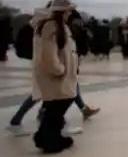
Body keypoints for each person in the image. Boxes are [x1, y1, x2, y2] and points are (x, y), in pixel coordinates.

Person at [6, 8, 100, 137]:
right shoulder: (49, 28)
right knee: (51, 94)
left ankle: (27, 120)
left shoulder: (49, 27)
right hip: (49, 69)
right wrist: (60, 68)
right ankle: (23, 121)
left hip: (50, 68)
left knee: (59, 93)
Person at [31, 0, 79, 153]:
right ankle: (49, 140)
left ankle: (47, 137)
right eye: (68, 11)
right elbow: (49, 54)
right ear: (62, 11)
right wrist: (59, 69)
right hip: (56, 76)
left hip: (63, 76)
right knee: (57, 107)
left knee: (55, 108)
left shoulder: (60, 26)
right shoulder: (52, 27)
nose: (70, 13)